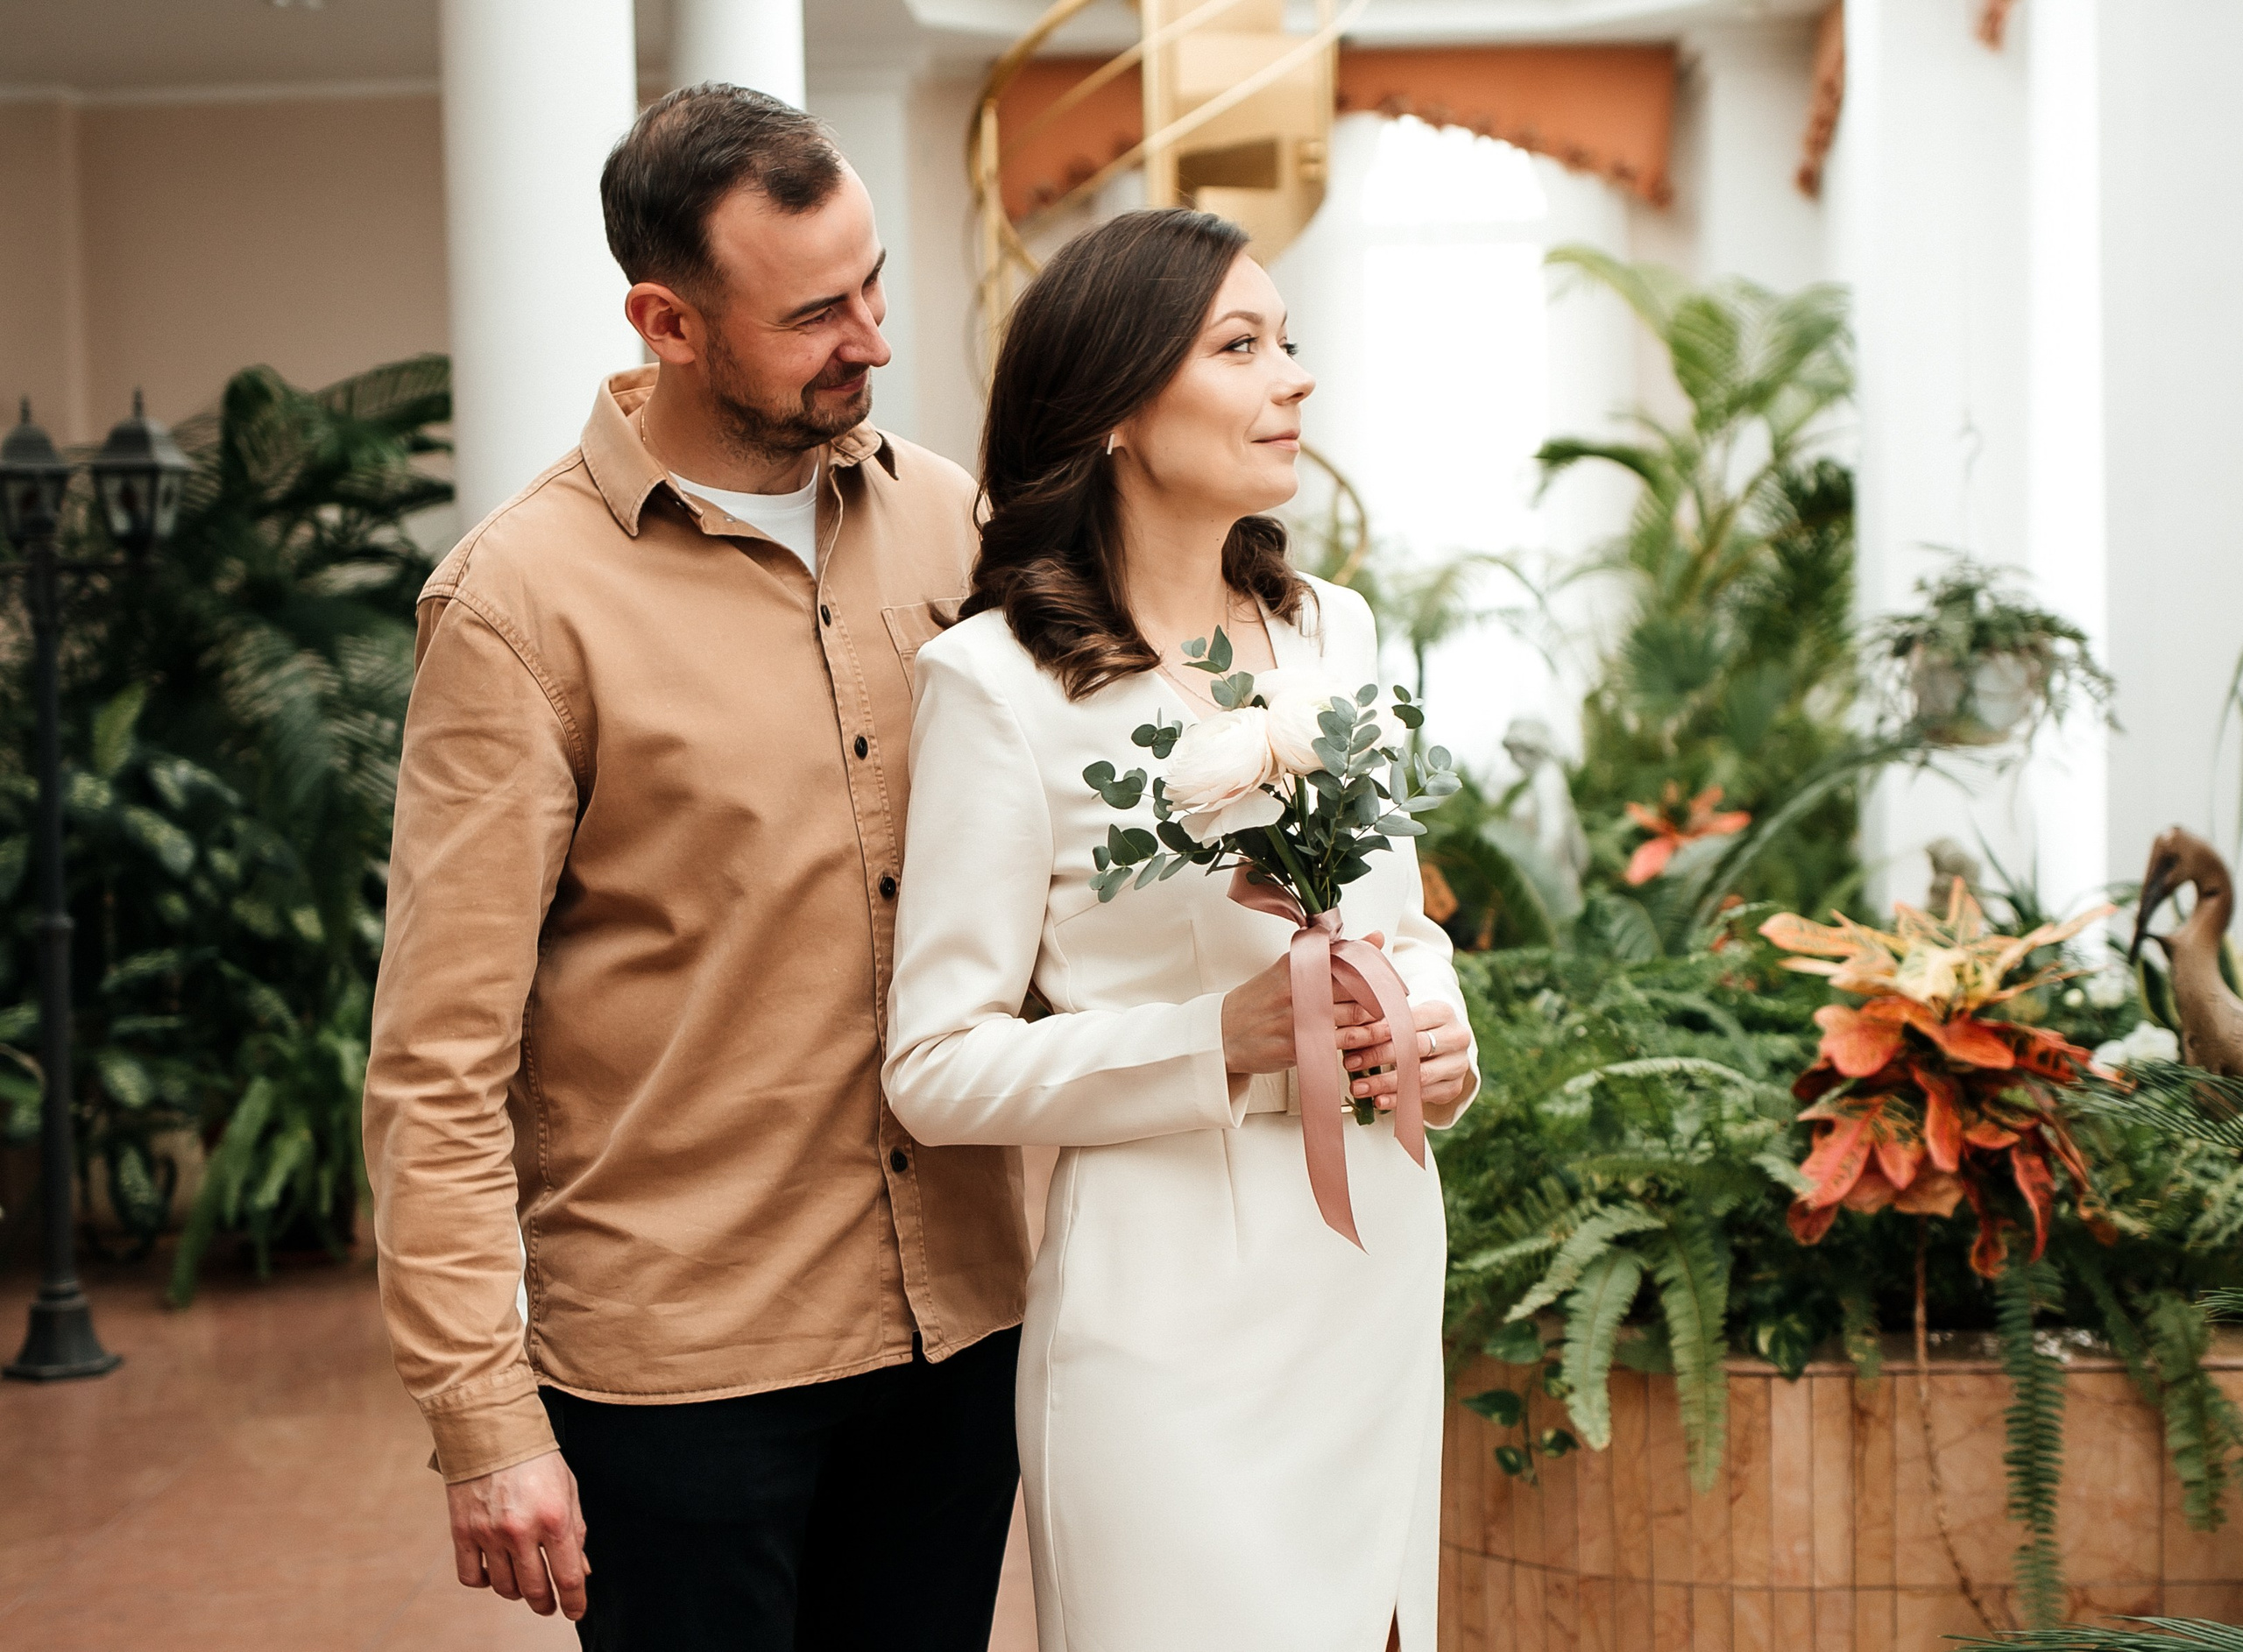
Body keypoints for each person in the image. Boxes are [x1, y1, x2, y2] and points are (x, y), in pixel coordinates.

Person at [361, 84, 1029, 1650]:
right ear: (666, 319)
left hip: (960, 1334)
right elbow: (438, 1059)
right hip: (685, 1374)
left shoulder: (954, 525)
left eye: (874, 285)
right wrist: (486, 1415)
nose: (870, 337)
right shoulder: (520, 607)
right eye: (813, 314)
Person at [882, 208, 1481, 1652]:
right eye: (1241, 346)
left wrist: (1439, 1030)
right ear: (1116, 410)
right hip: (1166, 1331)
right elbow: (935, 1063)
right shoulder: (993, 685)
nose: (1295, 379)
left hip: (1371, 1277)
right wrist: (1209, 1043)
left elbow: (1401, 924)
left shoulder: (1333, 628)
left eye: (1291, 342)